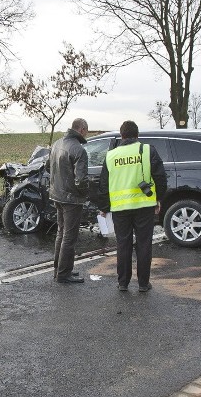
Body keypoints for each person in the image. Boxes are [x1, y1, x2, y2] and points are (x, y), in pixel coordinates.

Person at [98, 120, 167, 292]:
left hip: (120, 209)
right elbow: (160, 177)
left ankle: (123, 282)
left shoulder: (111, 155)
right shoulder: (147, 150)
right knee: (144, 245)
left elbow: (103, 184)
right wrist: (158, 198)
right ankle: (143, 284)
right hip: (144, 206)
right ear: (137, 135)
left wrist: (105, 207)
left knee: (123, 245)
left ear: (121, 136)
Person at [49, 118, 90, 284]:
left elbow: (47, 167)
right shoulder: (79, 150)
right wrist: (85, 193)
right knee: (69, 237)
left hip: (57, 194)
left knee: (61, 232)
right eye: (86, 131)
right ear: (81, 130)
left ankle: (58, 269)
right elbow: (81, 180)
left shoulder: (57, 144)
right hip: (71, 199)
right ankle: (64, 274)